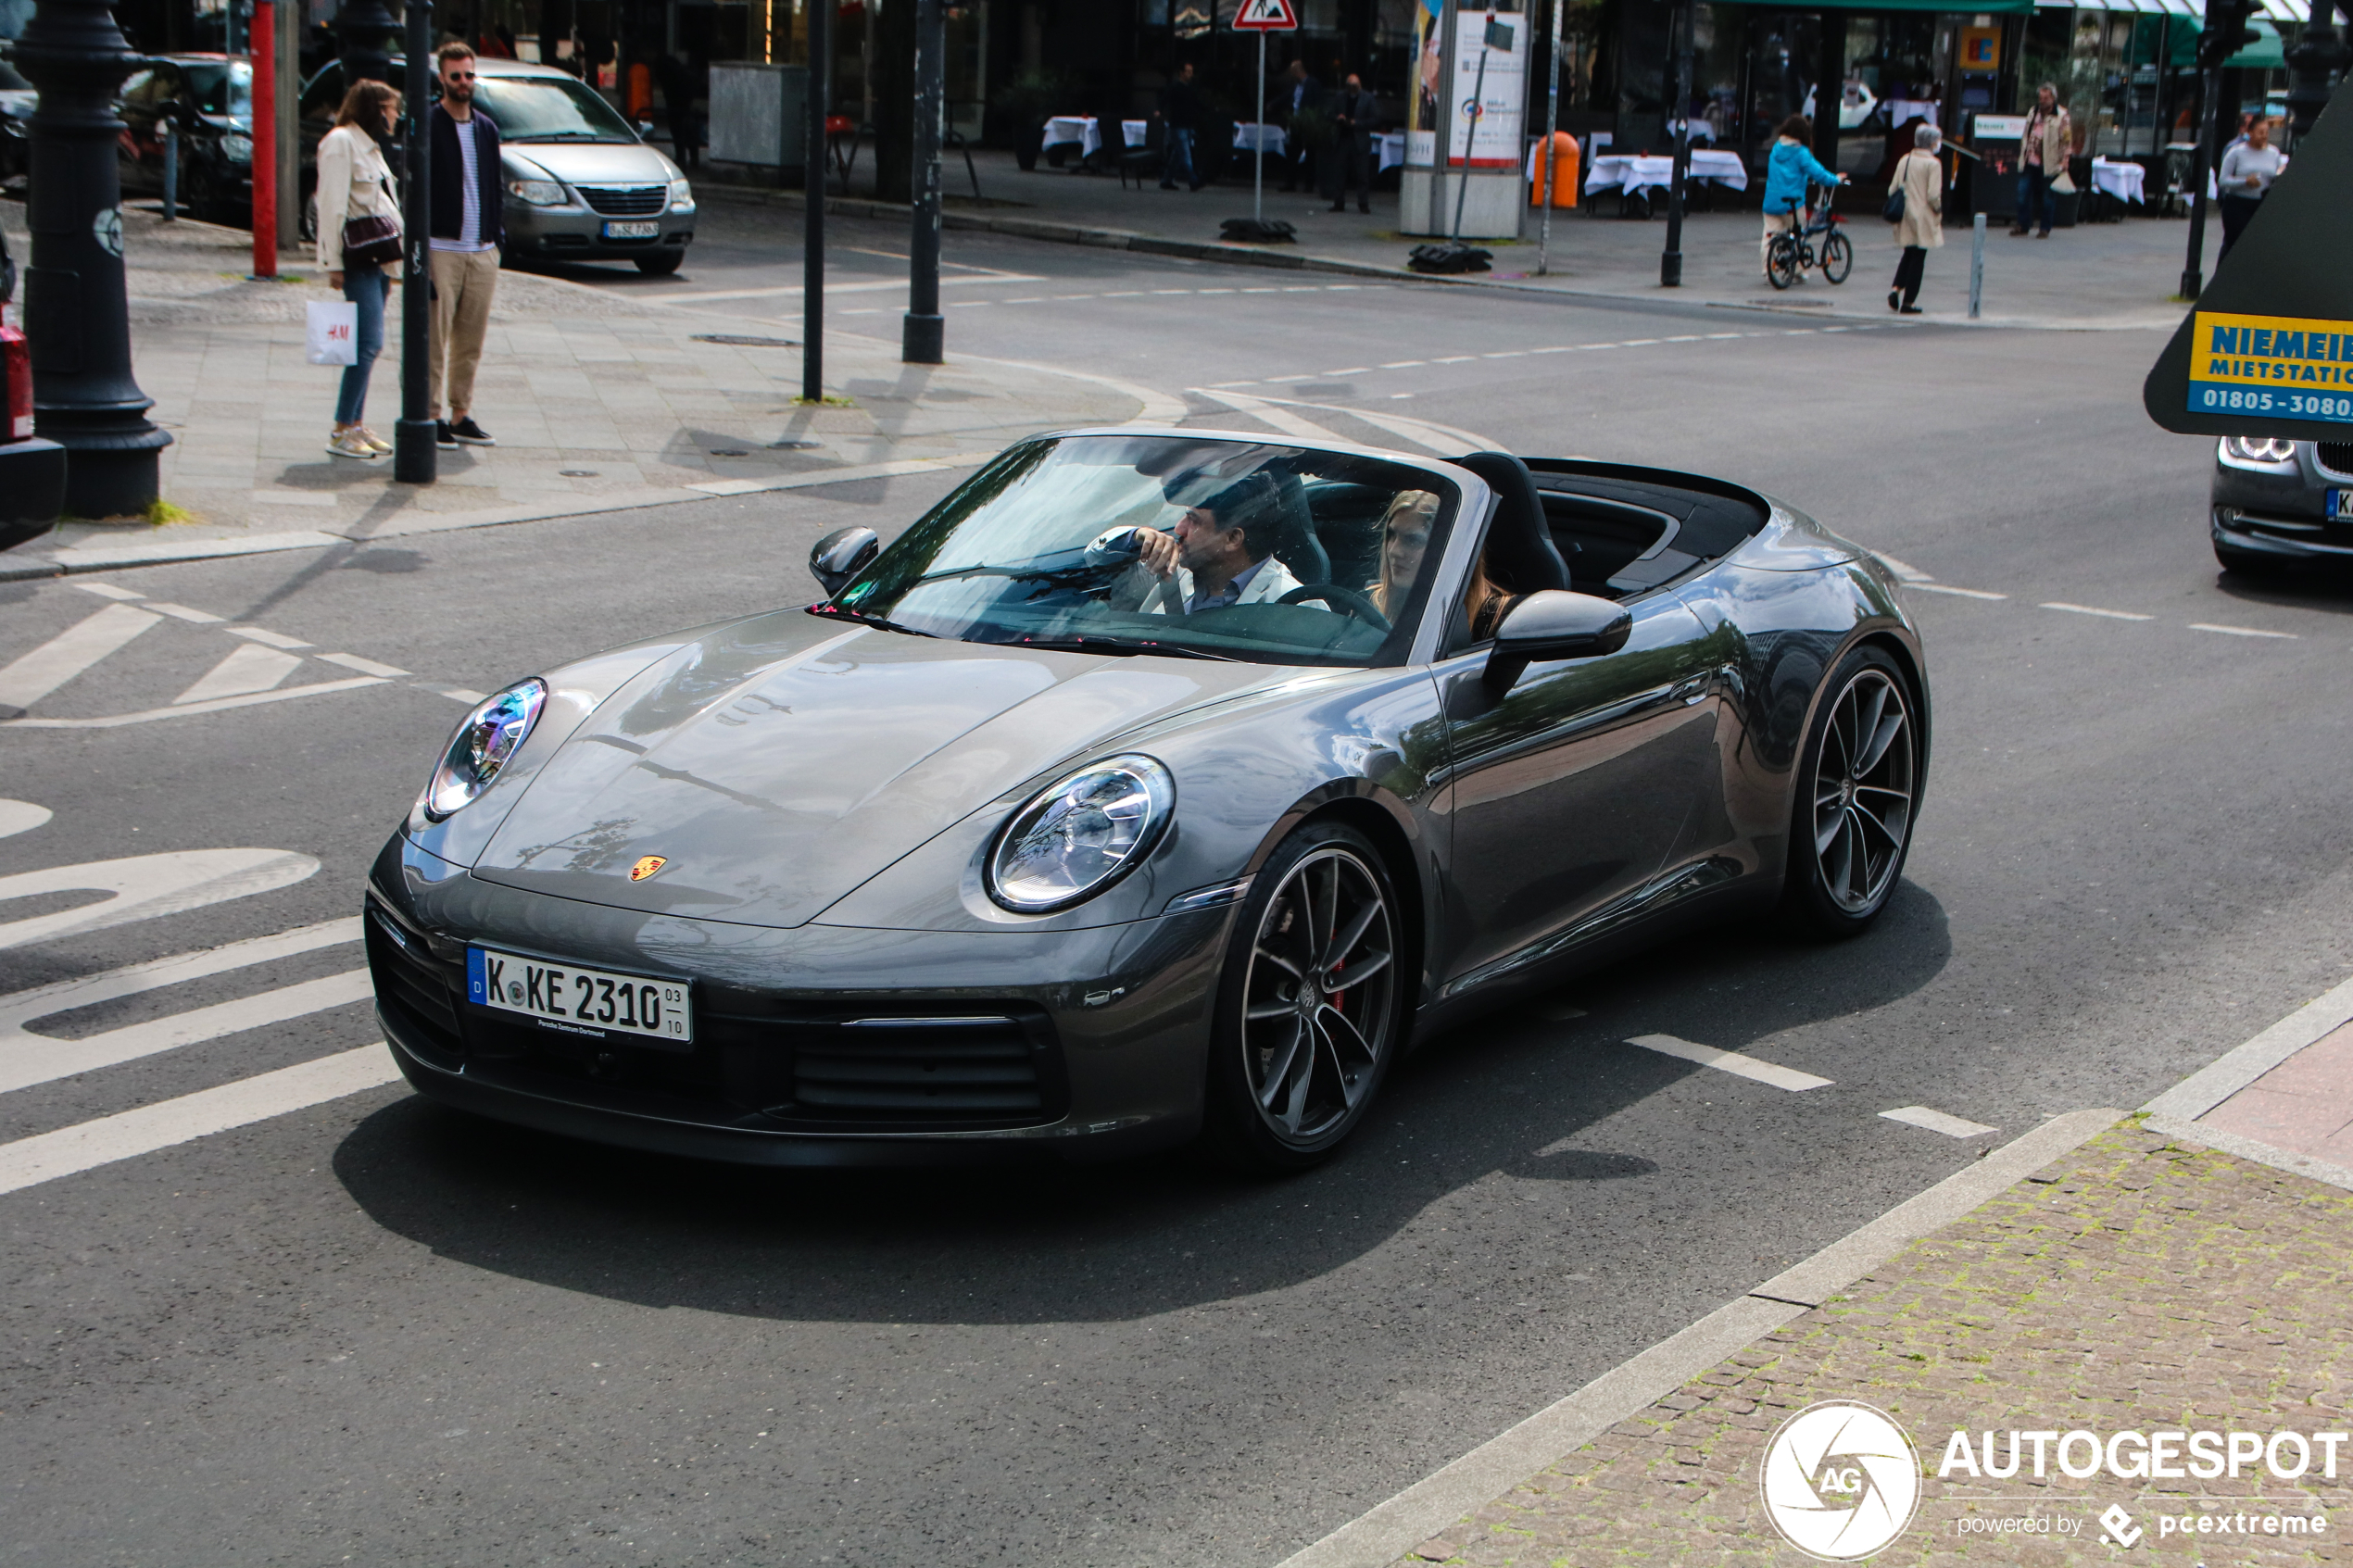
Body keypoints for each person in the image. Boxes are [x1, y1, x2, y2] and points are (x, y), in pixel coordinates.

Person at [315, 79, 403, 460]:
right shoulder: (341, 143)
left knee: (369, 343)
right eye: (392, 107)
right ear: (376, 109)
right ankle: (341, 428)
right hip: (358, 259)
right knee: (366, 344)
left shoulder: (370, 147)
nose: (396, 115)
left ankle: (355, 422)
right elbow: (331, 205)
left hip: (378, 257)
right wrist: (332, 263)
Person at [428, 42, 501, 450]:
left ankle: (461, 414)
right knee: (435, 339)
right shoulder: (429, 122)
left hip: (482, 249)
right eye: (455, 75)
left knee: (471, 340)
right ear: (442, 78)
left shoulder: (486, 128)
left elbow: (494, 187)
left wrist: (496, 241)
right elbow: (416, 188)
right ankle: (430, 414)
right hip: (442, 247)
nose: (463, 82)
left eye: (469, 75)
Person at [1118, 475, 1312, 616]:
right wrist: (1134, 536)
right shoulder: (1168, 570)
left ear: (1233, 539)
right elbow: (1095, 566)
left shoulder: (1296, 606)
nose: (1178, 529)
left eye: (1193, 520)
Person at [1761, 115, 1844, 280]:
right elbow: (1818, 173)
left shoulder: (1776, 149)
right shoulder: (1801, 153)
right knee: (1798, 235)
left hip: (1771, 203)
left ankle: (1768, 268)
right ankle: (1799, 270)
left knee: (1770, 236)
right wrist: (1836, 179)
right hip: (1793, 203)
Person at [1887, 123, 1943, 315]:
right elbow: (1934, 195)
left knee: (1908, 253)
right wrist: (1939, 210)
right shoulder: (1933, 164)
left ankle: (1895, 289)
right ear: (1931, 142)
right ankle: (1908, 301)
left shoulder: (1905, 159)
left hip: (1905, 213)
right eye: (1936, 140)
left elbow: (1892, 189)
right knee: (1919, 258)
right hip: (1923, 215)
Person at [2009, 82, 2070, 238]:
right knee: (2022, 193)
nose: (2042, 101)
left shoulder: (2061, 115)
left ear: (2053, 98)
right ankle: (2023, 224)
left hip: (2049, 162)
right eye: (2040, 97)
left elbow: (2066, 140)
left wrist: (2065, 160)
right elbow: (2026, 134)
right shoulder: (2033, 111)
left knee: (2048, 197)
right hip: (2030, 160)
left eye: (2046, 98)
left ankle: (2044, 228)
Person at [2218, 116, 2282, 259]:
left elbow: (2275, 176)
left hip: (2260, 203)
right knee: (2236, 244)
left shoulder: (2274, 153)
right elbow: (2223, 180)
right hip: (2238, 204)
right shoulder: (2236, 152)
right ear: (2250, 132)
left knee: (2257, 247)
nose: (2264, 136)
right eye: (2260, 132)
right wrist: (2245, 181)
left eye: (2266, 132)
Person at [1368, 490, 1438, 617]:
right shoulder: (1371, 605)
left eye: (1413, 540)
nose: (1394, 551)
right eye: (1392, 535)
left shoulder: (1482, 619)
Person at [1329, 72, 1375, 215]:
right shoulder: (1340, 97)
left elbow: (1375, 118)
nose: (1352, 88)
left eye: (1354, 85)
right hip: (1343, 137)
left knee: (1362, 174)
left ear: (1359, 85)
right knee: (1339, 172)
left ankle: (1363, 203)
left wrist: (1358, 123)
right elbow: (1329, 113)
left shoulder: (1367, 98)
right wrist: (1338, 118)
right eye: (1349, 85)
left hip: (1359, 139)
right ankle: (1338, 202)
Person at [1277, 58, 1321, 194]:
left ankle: (1309, 184)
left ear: (1298, 71)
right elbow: (1287, 96)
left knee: (1310, 155)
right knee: (1292, 153)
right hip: (1296, 122)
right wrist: (1273, 104)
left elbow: (1318, 102)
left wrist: (1314, 118)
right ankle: (1290, 183)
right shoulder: (1296, 86)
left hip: (1307, 123)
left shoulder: (1313, 84)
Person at [1160, 61, 1201, 191]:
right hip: (1179, 124)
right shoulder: (1176, 87)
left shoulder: (1187, 88)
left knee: (1178, 153)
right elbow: (1165, 98)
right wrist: (1159, 109)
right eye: (1188, 71)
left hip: (1185, 124)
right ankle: (1193, 179)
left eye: (1191, 71)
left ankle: (1167, 179)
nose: (1190, 74)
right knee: (1184, 151)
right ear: (1181, 73)